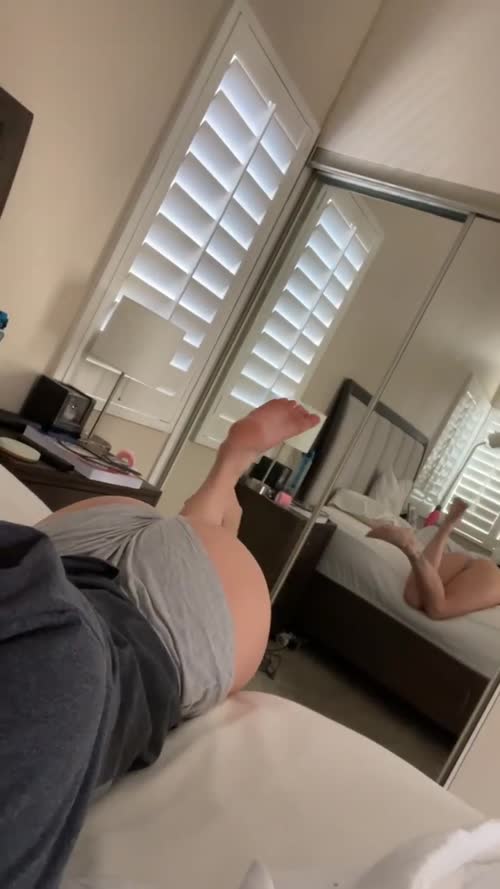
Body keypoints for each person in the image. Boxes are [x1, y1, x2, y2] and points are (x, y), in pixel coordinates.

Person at [0, 398, 319, 888]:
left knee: (196, 532)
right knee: (198, 532)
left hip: (72, 582)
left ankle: (222, 480)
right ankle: (223, 478)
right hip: (90, 591)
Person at [367, 498, 500, 620]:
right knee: (439, 609)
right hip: (491, 575)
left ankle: (446, 527)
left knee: (413, 597)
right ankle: (411, 548)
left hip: (469, 562)